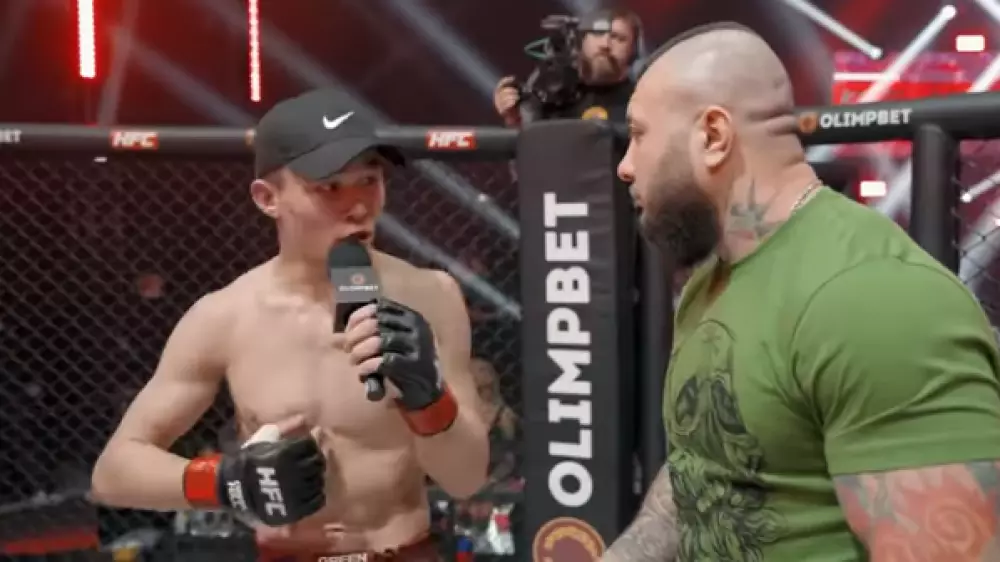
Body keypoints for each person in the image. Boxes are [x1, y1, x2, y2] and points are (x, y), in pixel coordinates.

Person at [605, 22, 1000, 562]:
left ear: (713, 136)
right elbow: (710, 465)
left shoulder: (871, 300)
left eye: (640, 134)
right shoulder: (715, 276)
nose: (625, 165)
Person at [90, 88, 489, 562]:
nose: (359, 206)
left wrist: (429, 398)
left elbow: (466, 479)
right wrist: (229, 481)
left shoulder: (431, 295)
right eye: (330, 187)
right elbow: (113, 473)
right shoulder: (226, 316)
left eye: (369, 179)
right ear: (268, 198)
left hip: (402, 551)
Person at [493, 7, 640, 126]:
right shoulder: (552, 96)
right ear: (581, 42)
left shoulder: (641, 101)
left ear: (633, 50)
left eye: (618, 38)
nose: (605, 44)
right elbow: (533, 146)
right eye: (597, 34)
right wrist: (514, 118)